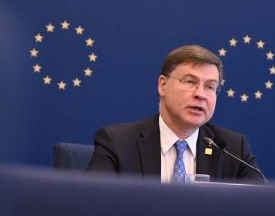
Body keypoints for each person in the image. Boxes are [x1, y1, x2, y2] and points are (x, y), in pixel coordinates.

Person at [87, 44, 265, 183]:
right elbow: (93, 206)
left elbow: (261, 208)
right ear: (162, 85)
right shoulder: (118, 143)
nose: (201, 94)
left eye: (210, 87)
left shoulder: (232, 149)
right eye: (190, 82)